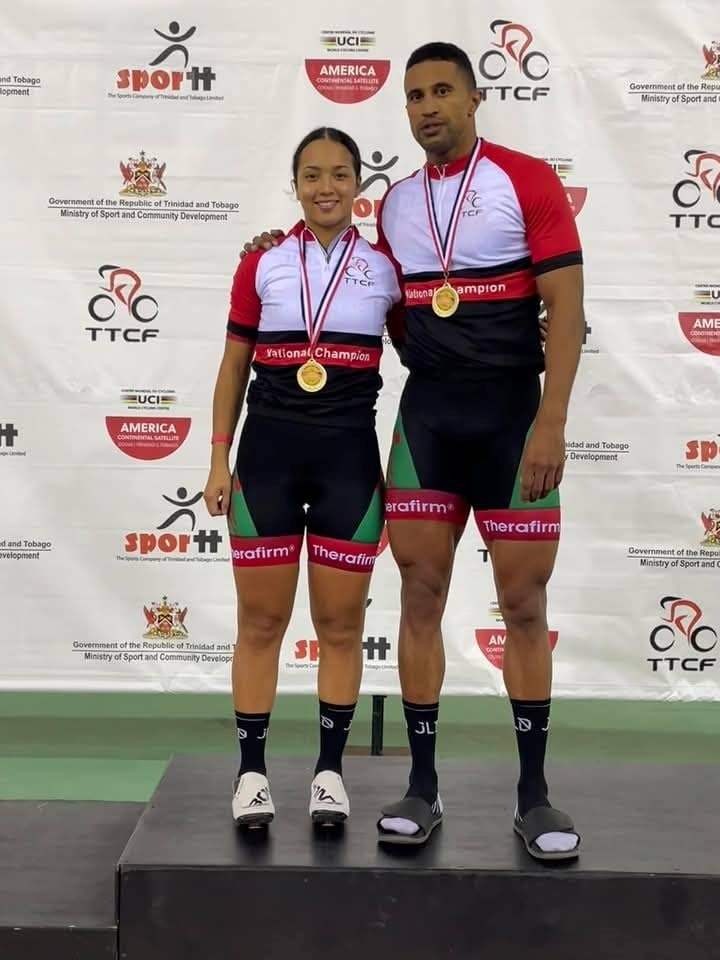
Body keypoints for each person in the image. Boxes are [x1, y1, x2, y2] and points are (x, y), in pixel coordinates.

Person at [239, 42, 584, 862]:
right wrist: (272, 249)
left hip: (512, 424)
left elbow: (566, 309)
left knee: (526, 608)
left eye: (442, 91)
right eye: (414, 95)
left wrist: (552, 422)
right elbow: (368, 295)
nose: (427, 106)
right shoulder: (391, 206)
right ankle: (421, 786)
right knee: (420, 594)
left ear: (473, 99)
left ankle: (533, 794)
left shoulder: (527, 179)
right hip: (425, 425)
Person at [204, 127, 402, 829]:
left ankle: (328, 775)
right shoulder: (262, 263)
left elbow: (436, 351)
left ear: (359, 184)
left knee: (341, 626)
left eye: (340, 175)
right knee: (260, 622)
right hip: (266, 464)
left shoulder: (385, 269)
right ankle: (252, 775)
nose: (327, 187)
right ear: (294, 184)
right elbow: (233, 367)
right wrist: (217, 457)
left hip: (350, 464)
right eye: (313, 175)